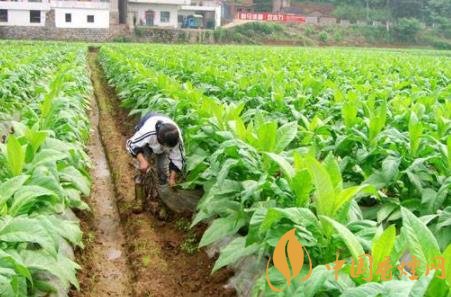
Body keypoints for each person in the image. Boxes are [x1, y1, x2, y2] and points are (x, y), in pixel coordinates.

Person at [126, 112, 185, 187]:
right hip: (147, 136)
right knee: (143, 165)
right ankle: (141, 184)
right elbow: (131, 144)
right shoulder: (147, 131)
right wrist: (142, 161)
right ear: (158, 140)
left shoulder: (177, 139)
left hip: (163, 138)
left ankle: (163, 186)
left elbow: (178, 159)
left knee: (162, 167)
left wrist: (172, 178)